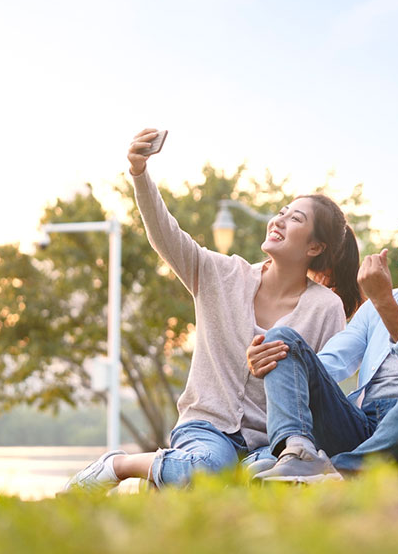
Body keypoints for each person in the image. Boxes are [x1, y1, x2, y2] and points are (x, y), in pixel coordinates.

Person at [63, 128, 361, 491]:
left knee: (264, 480)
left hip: (269, 442)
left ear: (315, 247)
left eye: (295, 219)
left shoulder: (326, 308)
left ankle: (169, 476)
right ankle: (120, 465)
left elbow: (321, 390)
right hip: (206, 428)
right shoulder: (221, 273)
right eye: (281, 212)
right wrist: (140, 174)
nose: (278, 220)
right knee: (208, 468)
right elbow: (165, 234)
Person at [246, 192, 398, 482]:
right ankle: (297, 453)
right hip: (364, 424)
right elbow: (329, 363)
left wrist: (384, 302)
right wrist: (287, 364)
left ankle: (336, 470)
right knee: (283, 339)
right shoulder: (376, 307)